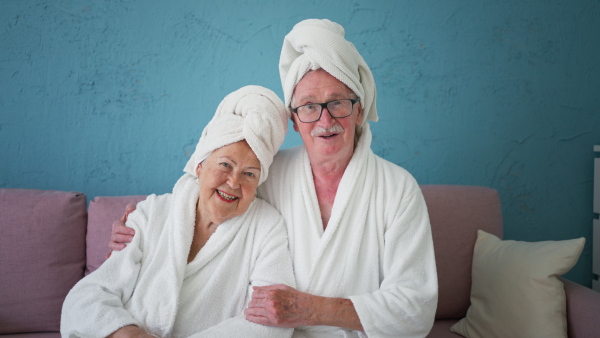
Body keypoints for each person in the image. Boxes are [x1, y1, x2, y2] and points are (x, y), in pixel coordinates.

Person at [111, 19, 438, 337]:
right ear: (295, 120)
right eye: (309, 106)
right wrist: (144, 229)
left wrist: (311, 309)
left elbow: (415, 308)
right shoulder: (267, 174)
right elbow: (210, 192)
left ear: (359, 109)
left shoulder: (398, 188)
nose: (325, 120)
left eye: (338, 102)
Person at [61, 86, 296, 338]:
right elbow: (86, 297)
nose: (234, 182)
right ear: (200, 166)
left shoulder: (266, 227)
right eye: (225, 165)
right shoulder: (151, 213)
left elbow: (270, 323)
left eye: (249, 173)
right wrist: (128, 333)